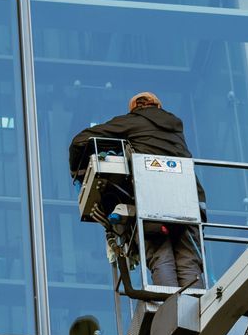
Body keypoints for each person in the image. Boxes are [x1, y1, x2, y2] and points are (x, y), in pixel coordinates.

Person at [69, 91, 206, 290]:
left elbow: (80, 140)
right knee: (189, 260)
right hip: (190, 199)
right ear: (158, 107)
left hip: (153, 199)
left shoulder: (132, 122)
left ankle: (171, 307)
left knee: (161, 256)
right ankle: (197, 312)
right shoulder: (176, 127)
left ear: (135, 109)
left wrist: (78, 173)